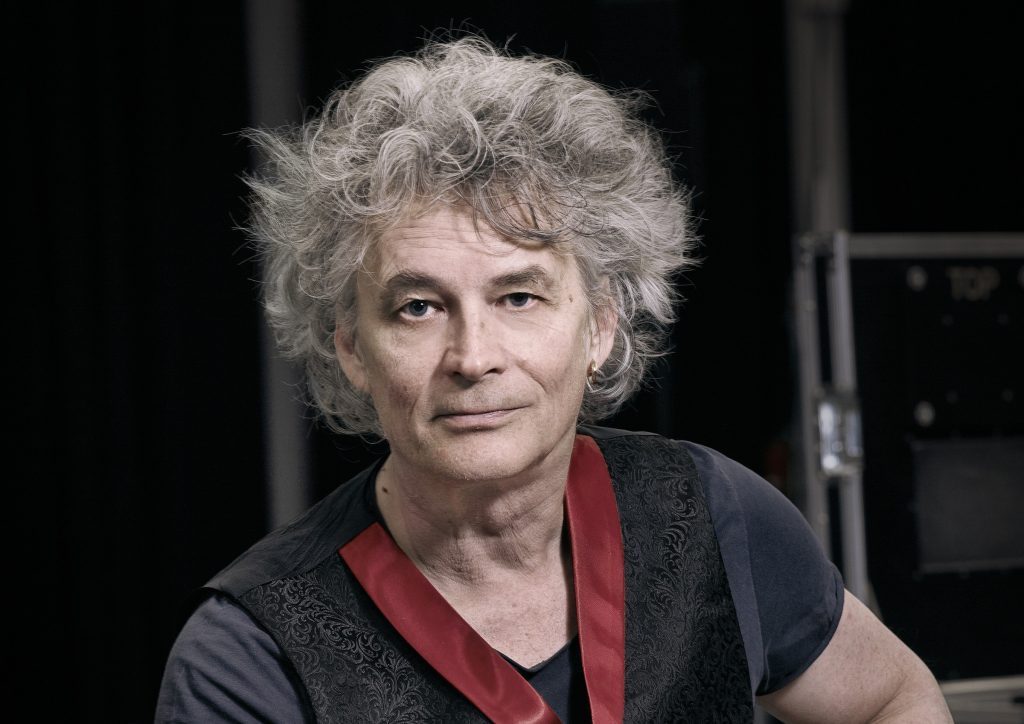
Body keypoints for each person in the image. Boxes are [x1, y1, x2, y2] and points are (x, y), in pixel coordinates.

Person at [156, 36, 951, 723]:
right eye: (418, 307)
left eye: (519, 297)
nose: (474, 356)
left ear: (599, 326)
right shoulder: (252, 654)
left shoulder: (715, 515)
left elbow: (892, 697)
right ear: (353, 350)